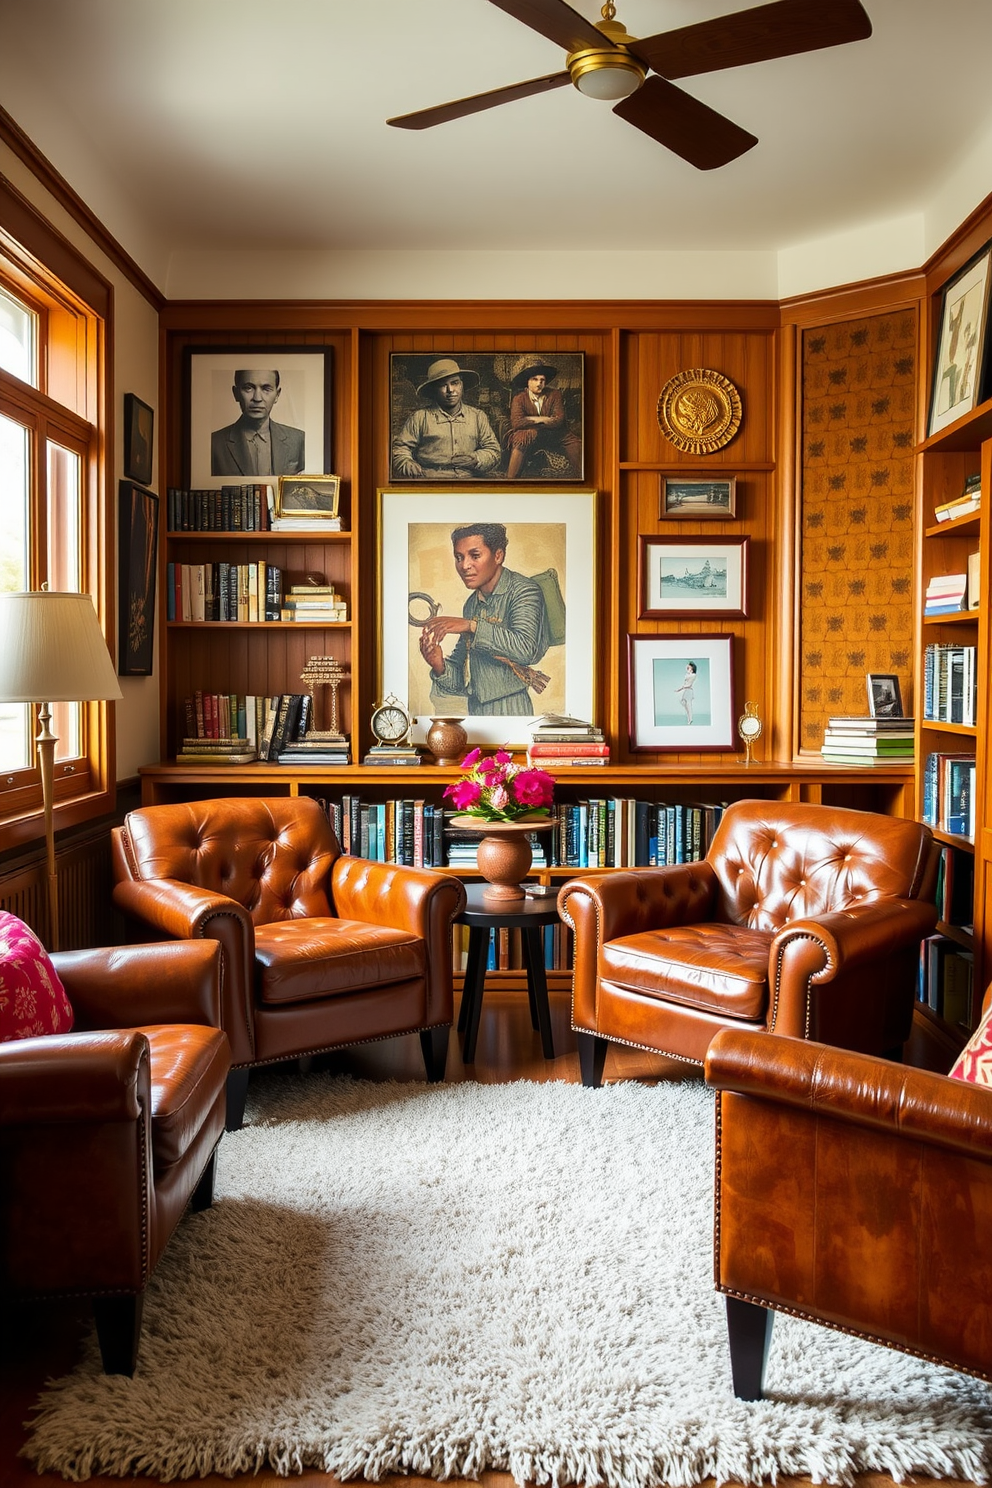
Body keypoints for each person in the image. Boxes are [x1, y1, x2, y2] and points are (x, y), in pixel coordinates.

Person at [419, 523, 553, 715]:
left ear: (498, 556)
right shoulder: (471, 604)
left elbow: (526, 650)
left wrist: (471, 625)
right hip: (476, 709)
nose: (464, 565)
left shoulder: (524, 590)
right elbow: (459, 677)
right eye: (459, 557)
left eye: (475, 556)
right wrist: (438, 664)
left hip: (512, 708)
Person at [391, 358, 502, 480]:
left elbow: (494, 451)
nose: (450, 390)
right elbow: (400, 449)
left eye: (455, 383)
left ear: (462, 385)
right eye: (443, 385)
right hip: (431, 481)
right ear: (434, 390)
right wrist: (406, 462)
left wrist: (476, 459)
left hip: (469, 480)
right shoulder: (420, 417)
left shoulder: (477, 416)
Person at [211, 368, 305, 477]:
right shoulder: (215, 443)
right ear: (236, 393)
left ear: (277, 395)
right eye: (248, 388)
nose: (257, 398)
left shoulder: (299, 440)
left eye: (266, 389)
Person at [504, 358, 582, 480]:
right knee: (521, 438)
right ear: (528, 382)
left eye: (542, 380)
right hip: (531, 434)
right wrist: (543, 419)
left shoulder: (555, 394)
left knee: (576, 444)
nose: (539, 383)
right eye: (535, 379)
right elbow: (516, 422)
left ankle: (583, 479)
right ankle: (510, 481)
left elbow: (559, 420)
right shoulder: (519, 398)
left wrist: (529, 419)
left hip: (555, 434)